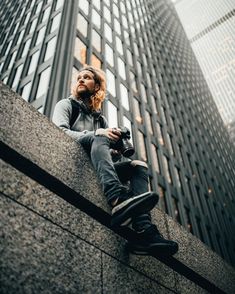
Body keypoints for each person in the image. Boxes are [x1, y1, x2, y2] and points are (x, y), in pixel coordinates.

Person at [52, 65, 178, 256]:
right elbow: (59, 132)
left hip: (99, 167)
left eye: (86, 77)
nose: (80, 80)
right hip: (76, 162)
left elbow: (106, 155)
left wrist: (116, 148)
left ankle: (144, 230)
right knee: (100, 136)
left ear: (96, 87)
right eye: (79, 78)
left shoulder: (100, 120)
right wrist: (98, 134)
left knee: (138, 166)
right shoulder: (66, 105)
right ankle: (117, 198)